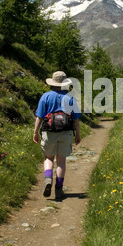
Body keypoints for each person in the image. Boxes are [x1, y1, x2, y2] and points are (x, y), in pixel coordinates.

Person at [33, 71, 81, 200]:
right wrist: (78, 135)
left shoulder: (46, 96)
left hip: (49, 131)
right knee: (61, 161)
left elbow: (39, 116)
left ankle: (48, 179)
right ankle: (59, 189)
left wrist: (35, 132)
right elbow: (76, 119)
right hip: (66, 132)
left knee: (48, 158)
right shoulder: (70, 98)